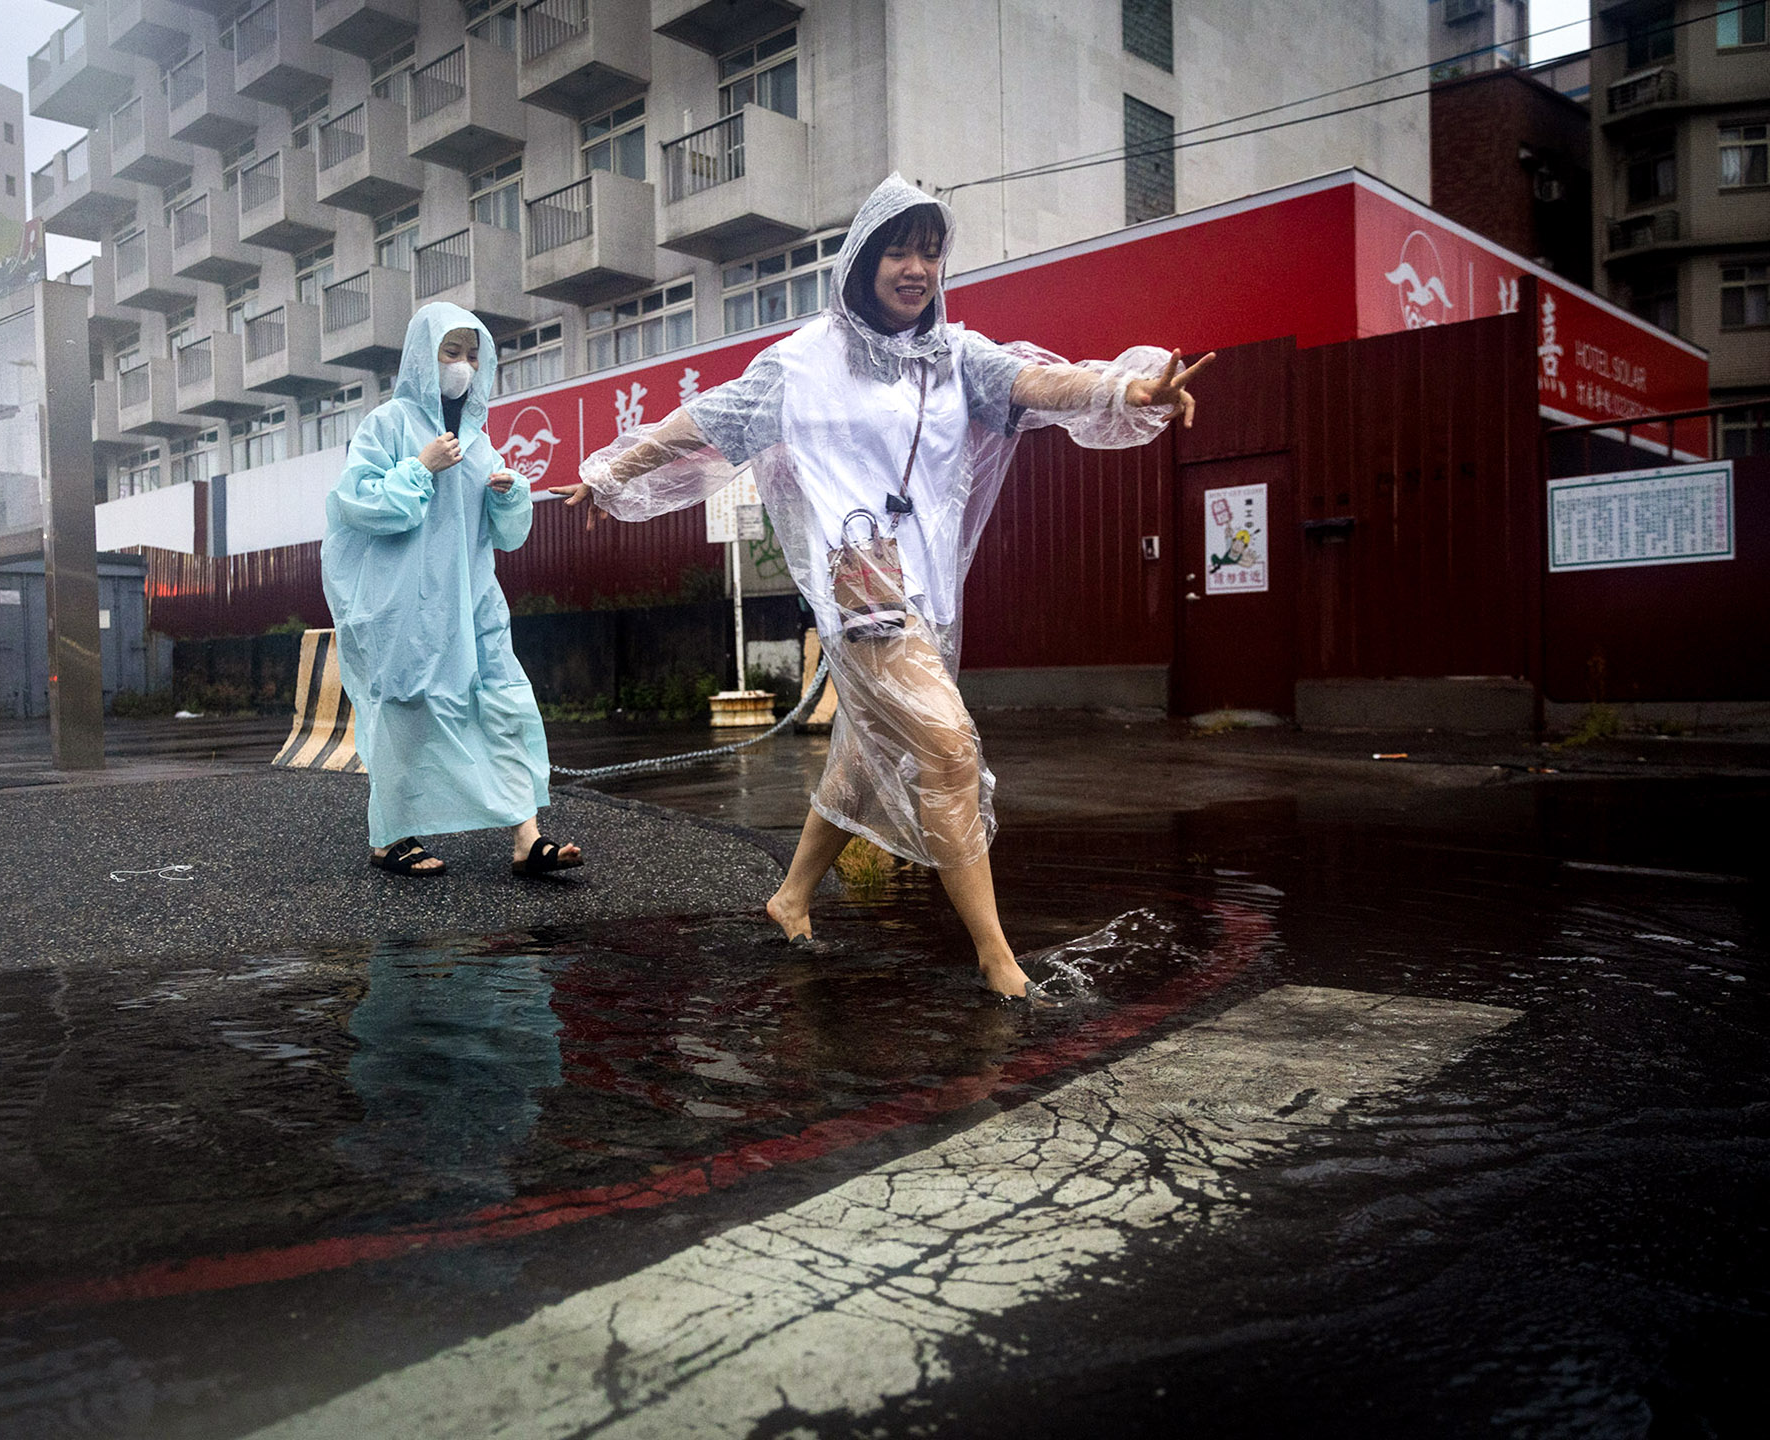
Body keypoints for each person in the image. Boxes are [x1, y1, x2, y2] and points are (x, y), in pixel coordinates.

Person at [557, 176, 1208, 997]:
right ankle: (998, 960)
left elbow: (1039, 384)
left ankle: (790, 899)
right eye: (899, 249)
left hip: (927, 595)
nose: (917, 269)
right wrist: (612, 468)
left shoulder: (956, 357)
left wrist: (1127, 388)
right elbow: (705, 423)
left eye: (931, 252)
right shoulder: (800, 364)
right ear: (862, 260)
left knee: (862, 757)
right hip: (858, 590)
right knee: (948, 748)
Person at [322, 302, 583, 878]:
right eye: (451, 352)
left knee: (504, 704)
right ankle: (392, 837)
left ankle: (527, 838)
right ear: (423, 356)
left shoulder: (480, 440)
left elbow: (508, 536)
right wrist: (419, 466)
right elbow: (358, 503)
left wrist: (510, 493)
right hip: (404, 607)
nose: (463, 366)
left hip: (472, 603)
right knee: (407, 717)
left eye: (472, 354)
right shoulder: (386, 425)